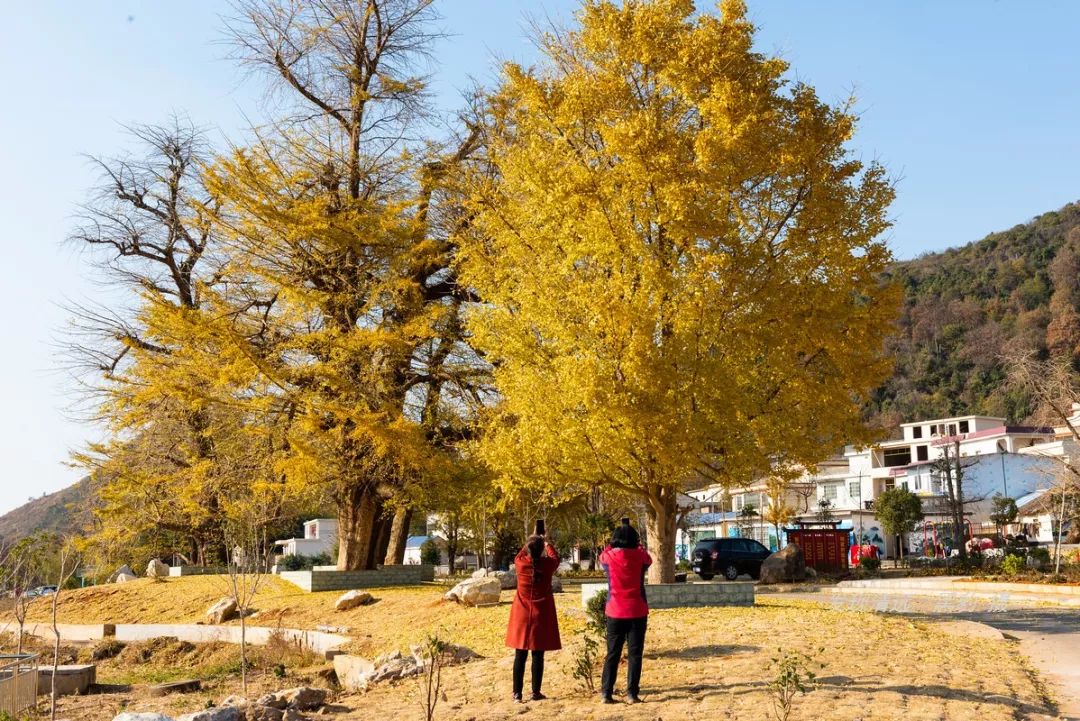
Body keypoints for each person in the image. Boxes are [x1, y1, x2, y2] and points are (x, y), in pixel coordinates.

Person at [505, 522, 561, 703]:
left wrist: (532, 539)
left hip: (522, 614)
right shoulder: (547, 565)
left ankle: (517, 693)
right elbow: (555, 557)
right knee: (538, 654)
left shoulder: (521, 564)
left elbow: (519, 554)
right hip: (541, 614)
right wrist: (546, 542)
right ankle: (535, 692)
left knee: (519, 655)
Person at [599, 518, 653, 705]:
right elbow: (648, 558)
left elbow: (602, 555)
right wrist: (638, 546)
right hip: (637, 610)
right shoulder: (640, 557)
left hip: (614, 610)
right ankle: (632, 693)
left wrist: (610, 545)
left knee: (612, 653)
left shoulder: (609, 557)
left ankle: (606, 692)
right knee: (635, 654)